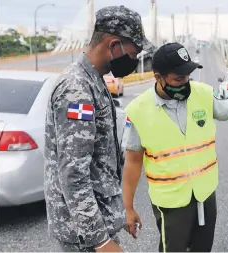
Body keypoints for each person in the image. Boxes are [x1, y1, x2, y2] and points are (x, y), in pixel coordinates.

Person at [122, 42, 228, 252]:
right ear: (158, 77)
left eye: (187, 76)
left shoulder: (203, 94)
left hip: (204, 194)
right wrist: (129, 207)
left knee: (202, 249)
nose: (185, 82)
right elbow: (132, 162)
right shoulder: (138, 110)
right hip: (170, 201)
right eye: (178, 78)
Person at [44, 5, 152, 252]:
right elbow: (74, 174)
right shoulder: (77, 90)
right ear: (114, 46)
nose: (135, 60)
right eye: (134, 53)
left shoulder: (94, 80)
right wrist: (101, 242)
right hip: (85, 235)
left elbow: (100, 164)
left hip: (100, 222)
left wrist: (121, 211)